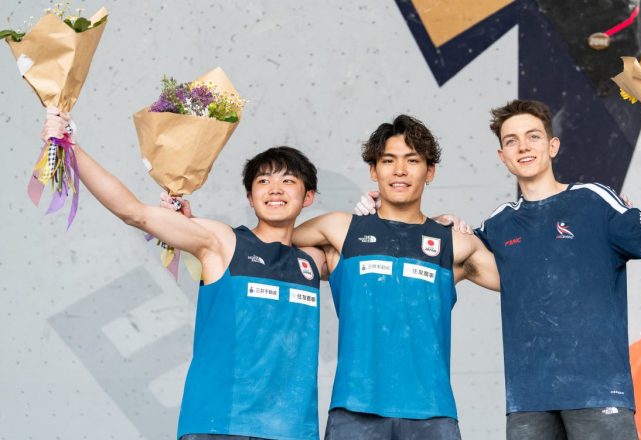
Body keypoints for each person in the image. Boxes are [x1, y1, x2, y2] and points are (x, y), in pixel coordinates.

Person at [42, 109, 327, 440]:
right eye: (263, 181)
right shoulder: (221, 242)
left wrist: (377, 206)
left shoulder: (315, 260)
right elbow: (135, 213)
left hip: (292, 430)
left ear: (308, 197)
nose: (275, 189)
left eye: (288, 180)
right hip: (218, 424)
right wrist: (69, 145)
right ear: (250, 198)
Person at [477, 99, 641, 439]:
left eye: (533, 136)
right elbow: (449, 252)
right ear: (502, 156)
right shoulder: (498, 224)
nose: (523, 146)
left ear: (553, 146)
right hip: (528, 404)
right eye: (511, 141)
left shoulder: (593, 201)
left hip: (599, 395)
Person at [291, 115, 500, 440]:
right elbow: (266, 244)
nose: (399, 170)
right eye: (388, 161)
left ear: (429, 172)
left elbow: (523, 281)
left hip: (433, 414)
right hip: (354, 411)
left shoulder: (454, 242)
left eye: (412, 161)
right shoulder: (339, 230)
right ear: (374, 170)